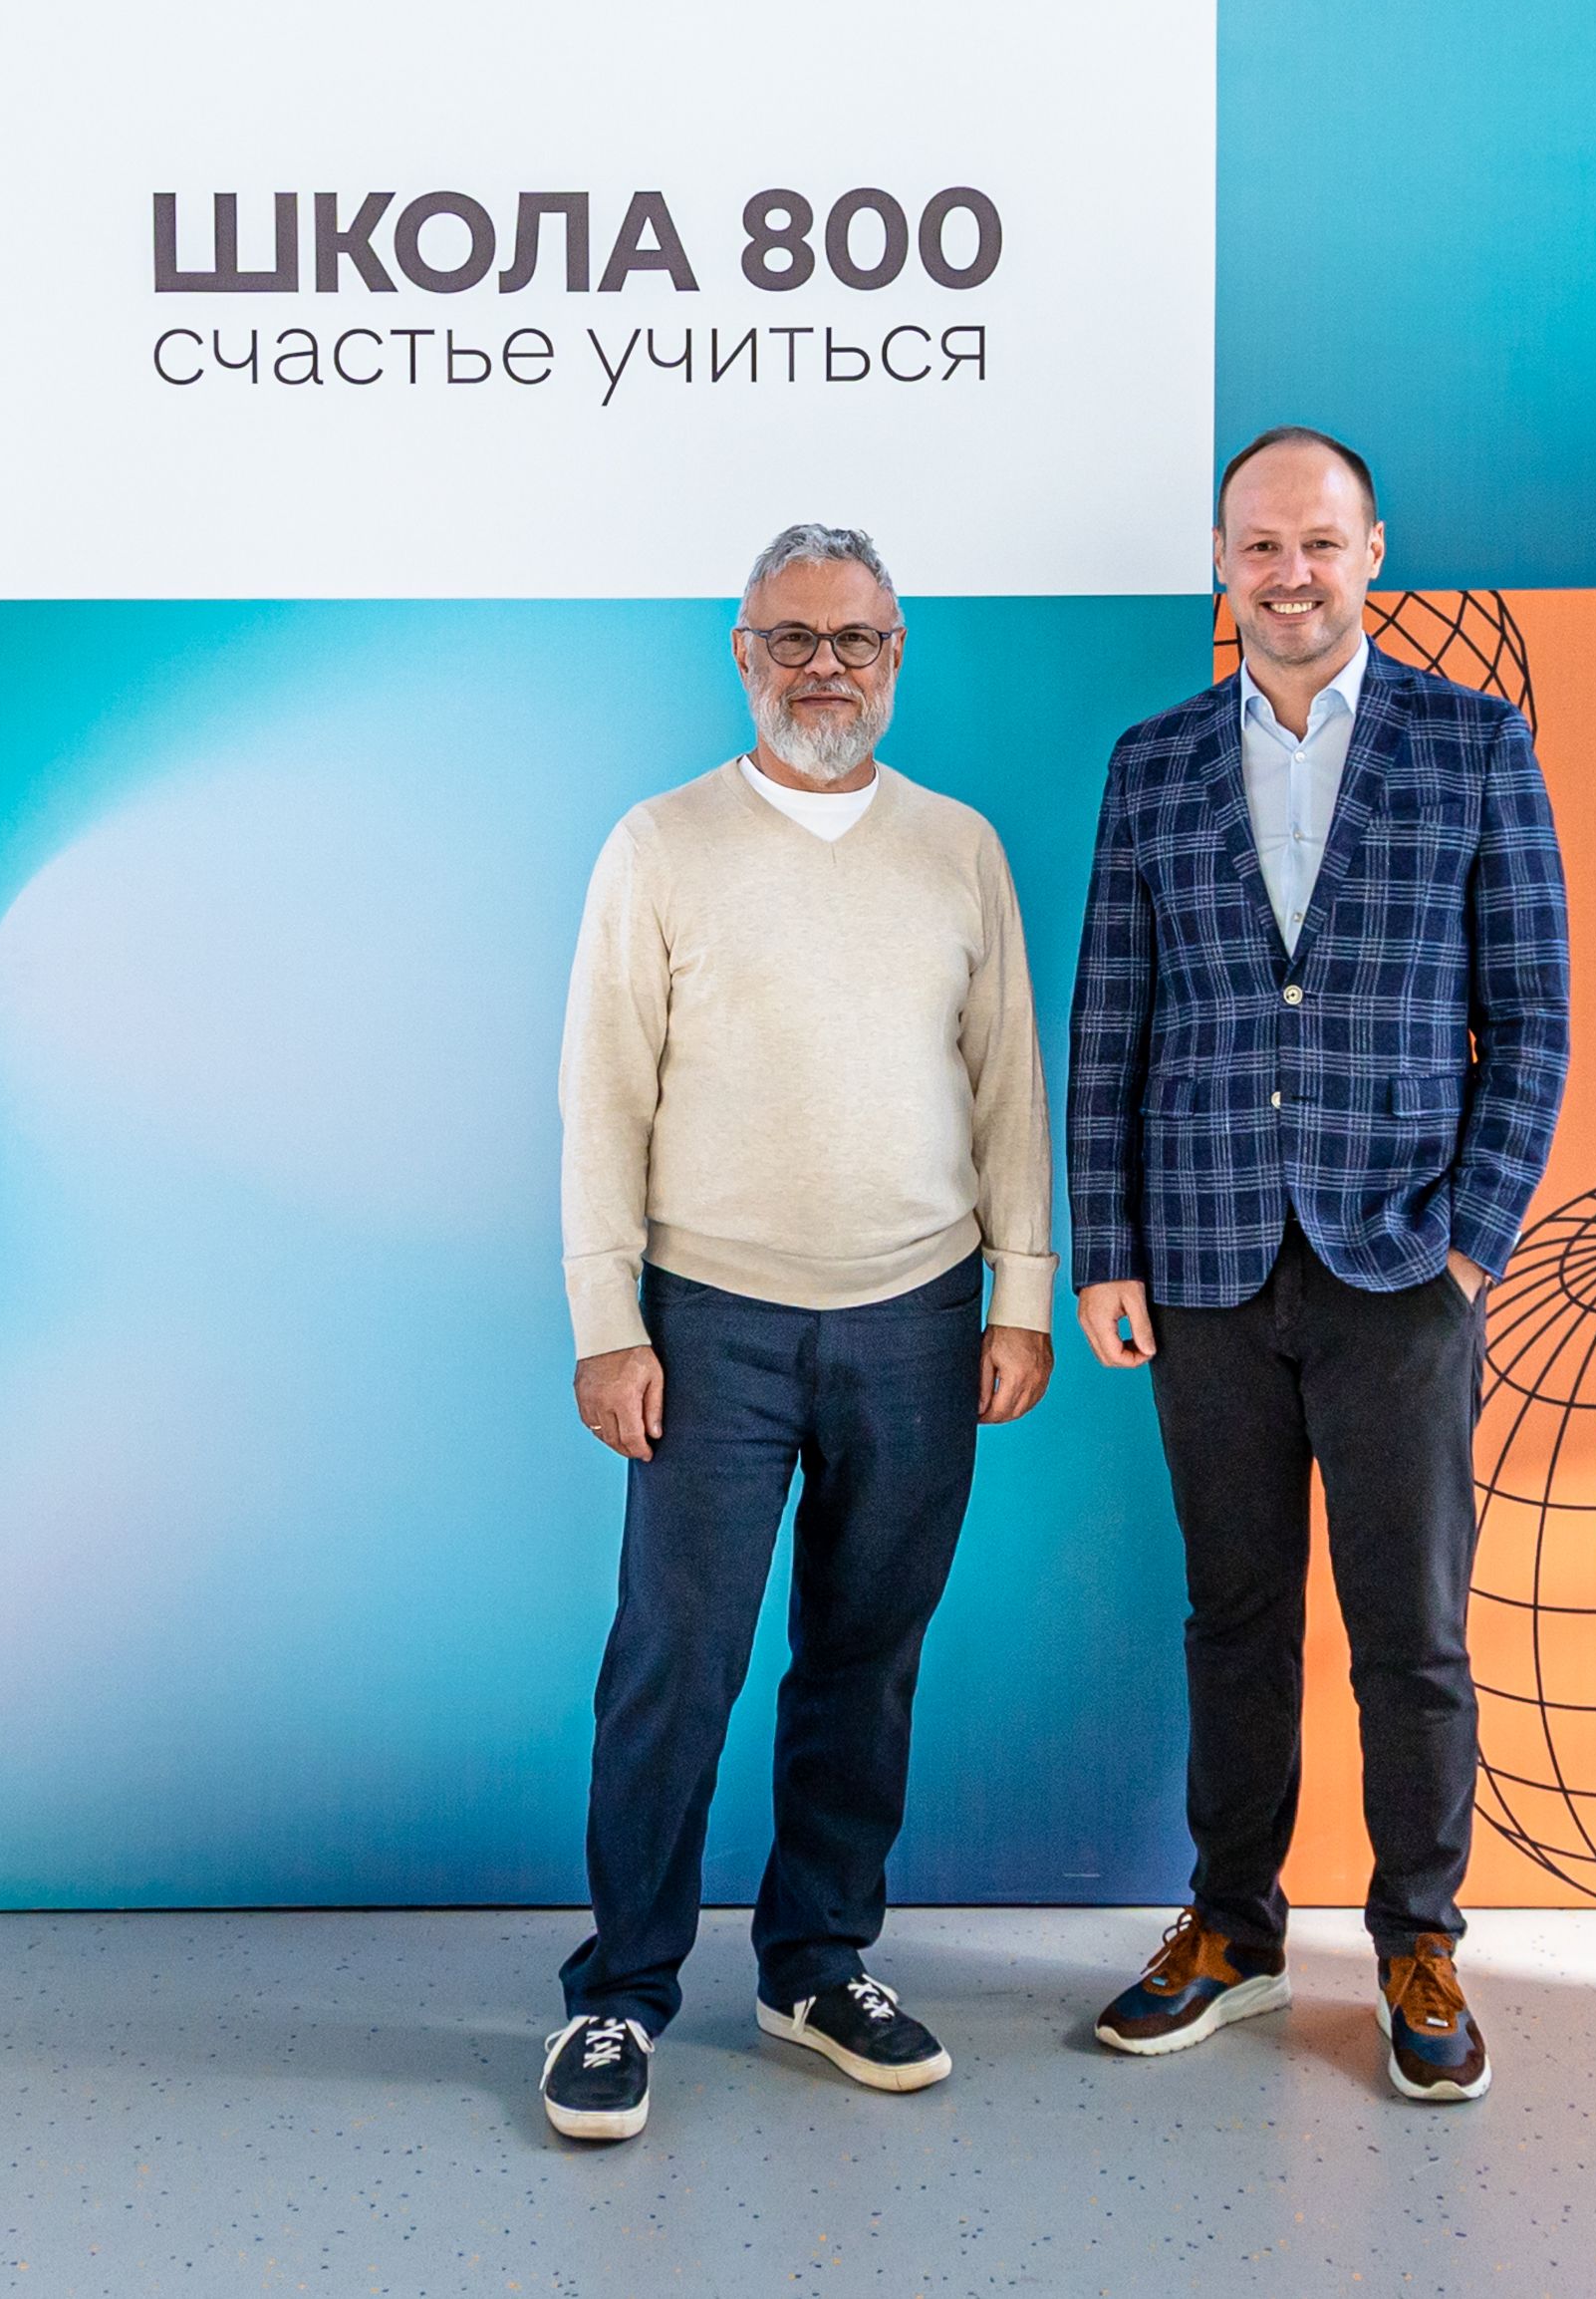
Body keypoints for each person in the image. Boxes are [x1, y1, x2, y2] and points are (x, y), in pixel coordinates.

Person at [1066, 427, 1571, 2104]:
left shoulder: (1474, 743)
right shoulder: (1153, 763)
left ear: (1374, 554)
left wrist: (1471, 1245)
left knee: (1410, 1631)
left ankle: (1420, 1940)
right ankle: (1233, 1929)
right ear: (1223, 562)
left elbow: (1534, 1016)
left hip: (1399, 1267)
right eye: (1261, 546)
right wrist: (1107, 1249)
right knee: (1234, 1620)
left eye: (1321, 544)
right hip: (1203, 1262)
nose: (1290, 574)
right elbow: (1111, 1021)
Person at [541, 523, 1059, 2145]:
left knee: (864, 1658)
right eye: (793, 639)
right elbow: (602, 1096)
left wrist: (1022, 1292)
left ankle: (818, 1963)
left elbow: (1008, 1082)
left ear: (897, 654)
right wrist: (607, 1319)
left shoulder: (959, 848)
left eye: (856, 640)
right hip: (711, 1323)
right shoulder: (659, 845)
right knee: (675, 1660)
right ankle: (621, 1993)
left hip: (920, 1313)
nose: (824, 668)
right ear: (743, 652)